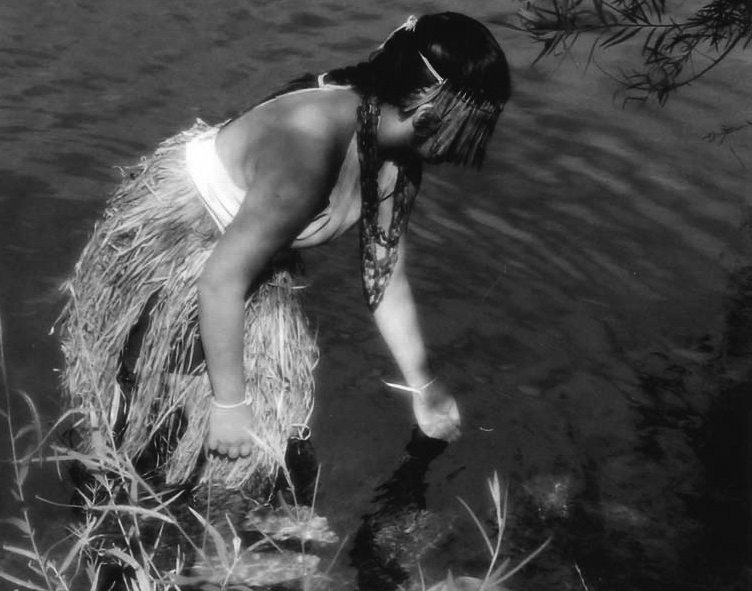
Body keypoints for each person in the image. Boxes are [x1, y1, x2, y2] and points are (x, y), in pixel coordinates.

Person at [59, 12, 511, 489]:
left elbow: (386, 273)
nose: (475, 139)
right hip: (184, 256)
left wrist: (423, 385)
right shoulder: (310, 145)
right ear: (432, 107)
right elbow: (219, 280)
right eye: (476, 123)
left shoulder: (396, 158)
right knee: (153, 432)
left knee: (269, 444)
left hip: (245, 262)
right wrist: (230, 404)